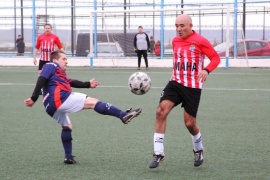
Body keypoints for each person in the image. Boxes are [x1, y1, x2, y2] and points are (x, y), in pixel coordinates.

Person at [24, 50, 142, 164]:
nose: (66, 61)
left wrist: (88, 84)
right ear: (55, 60)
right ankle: (123, 115)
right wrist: (34, 98)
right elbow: (41, 79)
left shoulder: (58, 74)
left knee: (67, 126)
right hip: (60, 98)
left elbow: (72, 82)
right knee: (93, 102)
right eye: (64, 59)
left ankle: (68, 157)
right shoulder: (51, 65)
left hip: (50, 107)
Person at [149, 14, 220, 169]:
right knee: (160, 111)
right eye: (176, 26)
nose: (179, 29)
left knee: (189, 123)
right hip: (175, 82)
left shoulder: (200, 41)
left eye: (182, 26)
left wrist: (207, 70)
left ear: (190, 26)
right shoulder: (175, 41)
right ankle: (158, 152)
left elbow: (215, 58)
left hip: (193, 86)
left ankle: (198, 148)